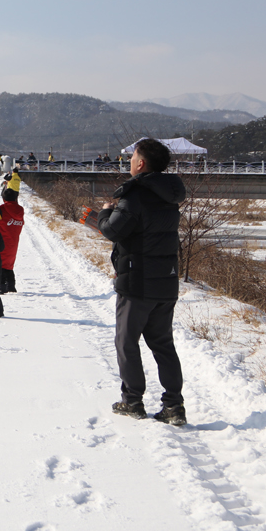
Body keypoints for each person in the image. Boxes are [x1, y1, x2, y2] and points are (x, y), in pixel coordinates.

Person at [80, 137, 186, 426]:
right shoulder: (169, 195)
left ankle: (133, 401)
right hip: (166, 281)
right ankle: (174, 407)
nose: (129, 163)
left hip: (137, 281)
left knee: (126, 342)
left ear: (140, 163)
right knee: (163, 344)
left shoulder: (135, 195)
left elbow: (114, 231)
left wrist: (102, 213)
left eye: (131, 158)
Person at [0, 187, 25, 293]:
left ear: (3, 199)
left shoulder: (1, 210)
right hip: (13, 243)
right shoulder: (20, 211)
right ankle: (11, 286)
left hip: (0, 243)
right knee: (9, 265)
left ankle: (1, 286)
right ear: (15, 198)